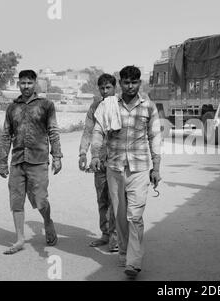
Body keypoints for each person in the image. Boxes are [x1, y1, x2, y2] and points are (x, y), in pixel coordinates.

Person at [90, 66, 162, 279]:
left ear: (140, 83)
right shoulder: (109, 105)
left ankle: (134, 261)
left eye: (134, 82)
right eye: (126, 82)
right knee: (120, 215)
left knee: (135, 216)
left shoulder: (149, 106)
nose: (130, 86)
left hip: (139, 168)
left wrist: (156, 167)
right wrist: (95, 155)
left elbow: (155, 137)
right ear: (120, 83)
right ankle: (123, 251)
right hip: (114, 167)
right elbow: (98, 131)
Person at [0, 70, 62, 255]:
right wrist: (2, 161)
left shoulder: (46, 105)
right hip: (17, 161)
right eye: (22, 83)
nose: (26, 86)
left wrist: (57, 156)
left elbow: (53, 131)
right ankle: (19, 239)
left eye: (29, 83)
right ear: (19, 84)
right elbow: (5, 135)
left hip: (38, 161)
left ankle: (48, 223)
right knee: (16, 201)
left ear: (35, 84)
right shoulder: (12, 108)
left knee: (40, 200)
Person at [79, 73, 118, 252]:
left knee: (116, 200)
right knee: (102, 199)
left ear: (114, 88)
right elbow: (88, 131)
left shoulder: (121, 106)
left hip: (118, 161)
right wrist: (83, 153)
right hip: (99, 161)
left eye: (108, 87)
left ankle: (117, 237)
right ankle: (105, 234)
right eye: (102, 88)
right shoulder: (95, 107)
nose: (105, 91)